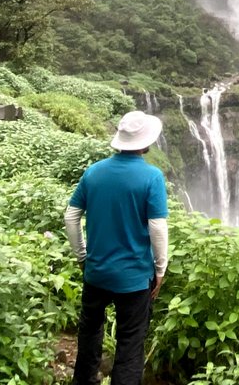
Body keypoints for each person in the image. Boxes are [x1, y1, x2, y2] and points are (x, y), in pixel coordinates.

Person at [64, 110, 169, 385]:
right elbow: (157, 227)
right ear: (145, 143)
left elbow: (71, 216)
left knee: (89, 334)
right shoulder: (152, 177)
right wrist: (160, 269)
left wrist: (82, 256)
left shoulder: (94, 172)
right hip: (134, 279)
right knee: (130, 344)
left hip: (96, 273)